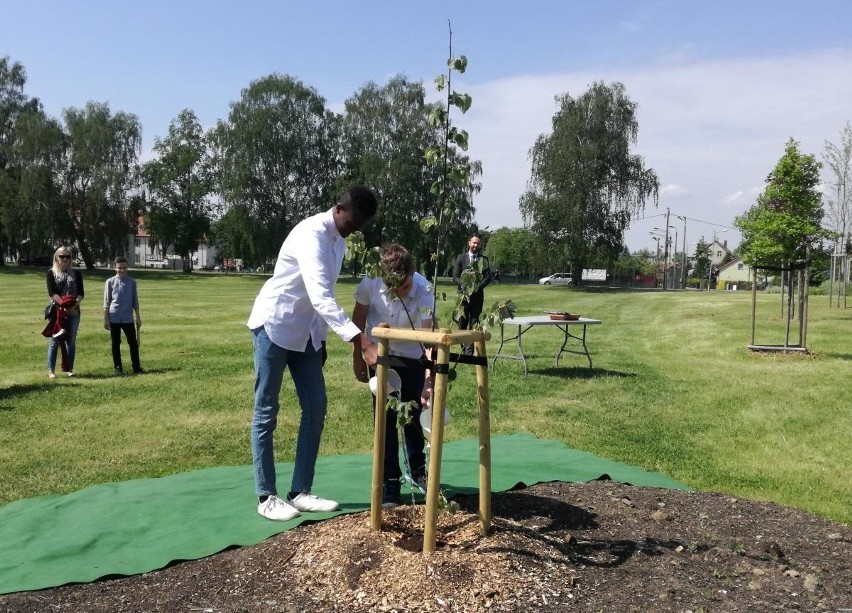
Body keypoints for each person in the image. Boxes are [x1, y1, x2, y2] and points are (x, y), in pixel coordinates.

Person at [247, 186, 379, 522]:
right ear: (339, 208)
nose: (355, 229)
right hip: (274, 326)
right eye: (352, 222)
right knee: (266, 410)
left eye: (361, 225)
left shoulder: (340, 241)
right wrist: (360, 340)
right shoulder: (312, 234)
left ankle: (300, 491)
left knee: (316, 405)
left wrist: (318, 341)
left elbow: (323, 297)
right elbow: (321, 296)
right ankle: (266, 496)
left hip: (305, 334)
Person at [352, 244, 433, 508]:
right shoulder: (370, 281)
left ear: (412, 272)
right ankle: (389, 481)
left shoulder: (424, 289)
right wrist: (359, 356)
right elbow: (358, 319)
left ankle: (417, 468)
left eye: (404, 286)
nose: (399, 292)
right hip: (381, 356)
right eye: (393, 287)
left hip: (412, 358)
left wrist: (429, 381)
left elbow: (430, 339)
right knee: (384, 420)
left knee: (412, 416)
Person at [46, 247, 84, 379]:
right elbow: (52, 293)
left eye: (68, 256)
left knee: (71, 341)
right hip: (57, 312)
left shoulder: (76, 274)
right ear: (56, 258)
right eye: (62, 256)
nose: (65, 259)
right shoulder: (51, 273)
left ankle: (69, 369)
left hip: (74, 311)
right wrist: (63, 305)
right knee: (55, 340)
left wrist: (74, 305)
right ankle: (51, 371)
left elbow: (80, 293)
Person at [103, 257, 144, 376]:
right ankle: (117, 367)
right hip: (114, 316)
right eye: (119, 268)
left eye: (124, 268)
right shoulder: (110, 282)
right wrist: (106, 318)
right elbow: (106, 302)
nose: (122, 270)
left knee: (133, 342)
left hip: (127, 318)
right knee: (116, 343)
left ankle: (136, 367)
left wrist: (138, 316)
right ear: (114, 267)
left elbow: (134, 301)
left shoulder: (132, 282)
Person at [452, 233, 491, 353]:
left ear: (480, 245)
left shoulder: (483, 260)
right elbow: (455, 276)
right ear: (469, 243)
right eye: (474, 243)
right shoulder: (461, 258)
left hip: (477, 298)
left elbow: (487, 277)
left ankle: (469, 352)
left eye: (478, 243)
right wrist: (465, 286)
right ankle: (463, 349)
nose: (476, 245)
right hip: (463, 297)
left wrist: (477, 287)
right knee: (462, 323)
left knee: (474, 323)